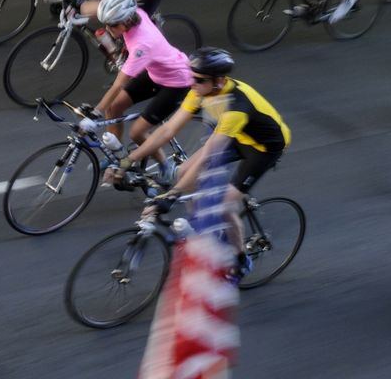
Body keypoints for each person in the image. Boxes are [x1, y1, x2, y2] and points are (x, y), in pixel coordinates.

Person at [118, 47, 290, 283]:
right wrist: (129, 160)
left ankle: (241, 260)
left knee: (224, 207)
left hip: (262, 149)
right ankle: (204, 228)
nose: (192, 83)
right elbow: (168, 130)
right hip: (237, 137)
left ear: (218, 81)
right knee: (183, 172)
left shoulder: (236, 109)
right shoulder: (200, 90)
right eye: (191, 76)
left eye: (198, 79)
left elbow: (210, 154)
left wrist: (171, 195)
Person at [91, 0, 191, 178]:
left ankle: (165, 165)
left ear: (126, 20)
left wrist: (94, 114)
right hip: (156, 73)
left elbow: (118, 85)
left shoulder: (142, 45)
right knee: (113, 108)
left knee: (137, 132)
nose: (108, 28)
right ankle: (116, 154)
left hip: (177, 82)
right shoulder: (135, 14)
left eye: (112, 25)